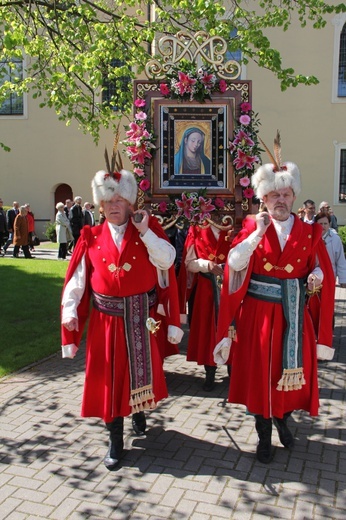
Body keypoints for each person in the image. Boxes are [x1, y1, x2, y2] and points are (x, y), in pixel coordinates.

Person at [214, 138, 335, 464]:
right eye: (273, 195)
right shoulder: (252, 227)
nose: (280, 200)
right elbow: (234, 264)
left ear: (294, 196)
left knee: (286, 374)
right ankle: (264, 436)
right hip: (258, 317)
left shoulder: (311, 233)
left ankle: (282, 419)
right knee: (260, 376)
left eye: (286, 194)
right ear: (263, 198)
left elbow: (323, 269)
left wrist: (318, 277)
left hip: (293, 315)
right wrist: (256, 235)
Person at [61, 167, 183, 471]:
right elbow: (78, 278)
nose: (114, 206)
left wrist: (145, 232)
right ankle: (115, 439)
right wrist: (70, 311)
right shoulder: (90, 236)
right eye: (108, 201)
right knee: (109, 381)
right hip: (106, 323)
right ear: (100, 205)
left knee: (136, 374)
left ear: (130, 203)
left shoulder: (146, 229)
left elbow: (167, 260)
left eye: (120, 200)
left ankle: (138, 410)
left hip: (141, 319)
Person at [179, 222, 232, 391]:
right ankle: (210, 371)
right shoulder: (196, 229)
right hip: (206, 289)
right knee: (208, 331)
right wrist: (205, 264)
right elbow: (189, 263)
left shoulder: (235, 227)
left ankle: (234, 370)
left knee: (232, 329)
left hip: (231, 288)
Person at [315, 211, 346, 287]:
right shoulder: (311, 238)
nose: (323, 226)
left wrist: (343, 279)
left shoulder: (336, 239)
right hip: (314, 276)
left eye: (325, 224)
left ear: (329, 224)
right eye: (320, 224)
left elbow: (340, 260)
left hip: (330, 275)